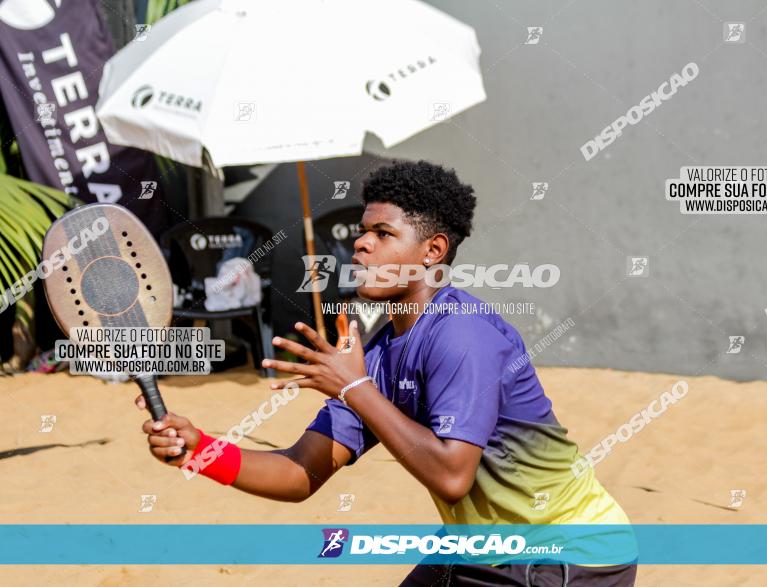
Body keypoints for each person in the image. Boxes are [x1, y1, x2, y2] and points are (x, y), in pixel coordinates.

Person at [137, 160, 637, 586]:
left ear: (433, 252)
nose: (361, 246)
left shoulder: (463, 335)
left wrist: (354, 389)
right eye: (361, 232)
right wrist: (201, 450)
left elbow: (452, 475)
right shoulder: (375, 352)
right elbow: (300, 471)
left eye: (383, 234)